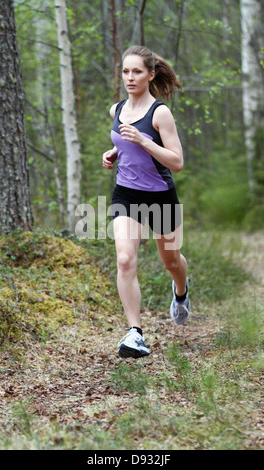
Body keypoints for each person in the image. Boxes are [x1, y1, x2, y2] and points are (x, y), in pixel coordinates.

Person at [103, 45, 190, 358]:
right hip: (126, 194)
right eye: (125, 71)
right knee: (125, 259)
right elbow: (121, 143)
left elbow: (176, 161)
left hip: (160, 197)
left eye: (137, 71)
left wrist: (143, 140)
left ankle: (181, 291)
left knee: (171, 261)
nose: (130, 77)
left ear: (151, 75)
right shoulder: (117, 110)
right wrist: (113, 153)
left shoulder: (160, 113)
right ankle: (134, 333)